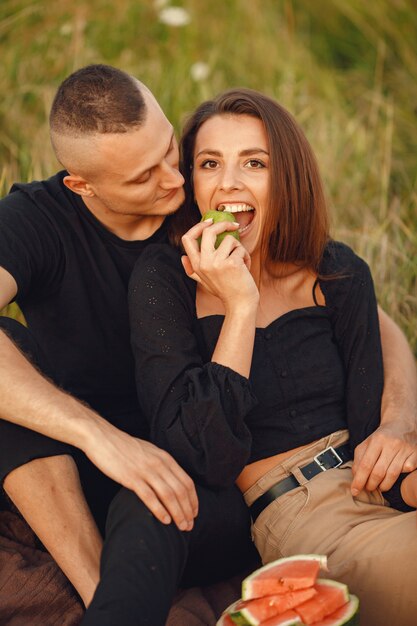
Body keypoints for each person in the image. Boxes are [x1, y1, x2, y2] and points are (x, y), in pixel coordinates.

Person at [126, 87, 417, 625]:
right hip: (305, 511)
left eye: (254, 163)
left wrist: (401, 433)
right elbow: (205, 457)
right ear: (193, 182)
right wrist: (240, 304)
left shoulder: (337, 271)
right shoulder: (164, 280)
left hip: (376, 479)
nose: (229, 183)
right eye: (210, 163)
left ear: (288, 176)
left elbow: (369, 414)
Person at [0, 65, 261, 625]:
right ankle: (99, 590)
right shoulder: (36, 218)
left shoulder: (207, 184)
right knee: (7, 352)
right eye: (144, 177)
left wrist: (400, 412)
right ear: (82, 186)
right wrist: (99, 437)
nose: (174, 180)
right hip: (81, 472)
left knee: (152, 509)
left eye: (171, 149)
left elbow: (330, 285)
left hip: (199, 471)